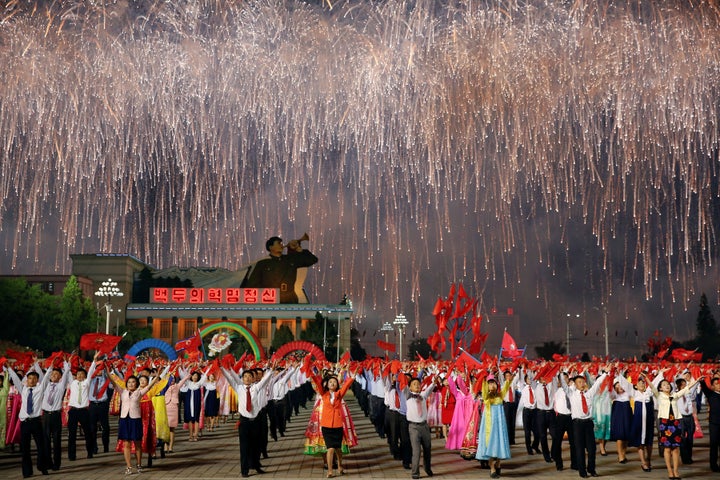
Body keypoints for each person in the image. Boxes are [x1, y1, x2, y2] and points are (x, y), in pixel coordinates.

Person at [222, 364, 274, 478]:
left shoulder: (256, 387)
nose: (247, 378)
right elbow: (230, 379)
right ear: (242, 378)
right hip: (244, 422)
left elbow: (265, 381)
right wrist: (222, 368)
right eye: (245, 376)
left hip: (255, 421)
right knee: (244, 447)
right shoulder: (239, 388)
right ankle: (244, 470)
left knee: (256, 446)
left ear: (252, 378)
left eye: (249, 376)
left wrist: (271, 371)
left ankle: (256, 466)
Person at [649, 370, 701, 480]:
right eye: (664, 385)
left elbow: (686, 389)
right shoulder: (659, 395)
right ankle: (670, 471)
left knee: (676, 448)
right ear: (660, 388)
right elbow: (652, 386)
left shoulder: (675, 395)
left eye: (668, 384)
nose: (667, 385)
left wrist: (696, 381)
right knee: (667, 449)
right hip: (665, 423)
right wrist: (648, 378)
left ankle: (676, 471)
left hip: (676, 422)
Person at [107, 368, 159, 475]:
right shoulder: (122, 391)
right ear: (126, 384)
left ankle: (139, 464)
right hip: (124, 419)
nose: (131, 384)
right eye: (129, 382)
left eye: (133, 382)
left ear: (136, 384)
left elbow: (149, 386)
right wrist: (108, 372)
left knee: (137, 443)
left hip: (135, 419)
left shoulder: (139, 392)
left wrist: (157, 376)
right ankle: (128, 466)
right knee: (126, 444)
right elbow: (113, 382)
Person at [6, 362, 51, 478]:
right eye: (29, 378)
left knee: (41, 447)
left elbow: (45, 378)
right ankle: (27, 471)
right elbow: (16, 379)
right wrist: (10, 368)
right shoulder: (24, 389)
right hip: (25, 423)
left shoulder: (40, 389)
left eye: (34, 378)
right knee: (25, 449)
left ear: (37, 380)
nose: (31, 380)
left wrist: (49, 367)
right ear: (26, 380)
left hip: (36, 422)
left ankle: (42, 467)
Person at [245, 235, 318, 303]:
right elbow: (252, 285)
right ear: (271, 247)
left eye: (281, 243)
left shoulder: (290, 259)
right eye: (278, 243)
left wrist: (298, 249)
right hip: (270, 300)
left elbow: (312, 260)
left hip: (290, 299)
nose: (281, 245)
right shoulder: (262, 263)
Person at [310, 370, 356, 478]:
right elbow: (317, 382)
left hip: (337, 425)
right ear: (327, 384)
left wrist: (352, 378)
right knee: (330, 448)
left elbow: (346, 386)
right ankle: (330, 470)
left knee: (338, 449)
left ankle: (340, 465)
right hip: (326, 425)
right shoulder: (323, 394)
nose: (332, 384)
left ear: (337, 385)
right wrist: (312, 373)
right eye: (330, 382)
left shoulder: (339, 394)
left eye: (334, 382)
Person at [568, 370, 608, 479]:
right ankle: (582, 471)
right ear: (575, 385)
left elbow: (597, 383)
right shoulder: (571, 394)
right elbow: (565, 384)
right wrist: (573, 372)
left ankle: (592, 469)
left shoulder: (589, 393)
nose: (581, 384)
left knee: (592, 449)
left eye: (583, 382)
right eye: (579, 382)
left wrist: (605, 373)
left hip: (588, 423)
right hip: (577, 424)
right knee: (579, 449)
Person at [475, 373, 513, 479]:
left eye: (493, 383)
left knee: (499, 444)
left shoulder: (500, 395)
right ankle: (492, 468)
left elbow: (506, 387)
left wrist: (508, 380)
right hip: (489, 425)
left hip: (499, 425)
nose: (492, 386)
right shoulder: (486, 396)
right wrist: (483, 380)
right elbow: (484, 391)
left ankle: (498, 464)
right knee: (490, 446)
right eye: (490, 384)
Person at [41, 361, 72, 471]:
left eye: (57, 375)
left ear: (60, 377)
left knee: (56, 440)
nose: (54, 376)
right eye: (52, 374)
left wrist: (65, 363)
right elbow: (44, 377)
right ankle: (48, 462)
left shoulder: (60, 387)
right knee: (46, 440)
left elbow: (67, 372)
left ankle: (56, 464)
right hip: (45, 416)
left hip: (55, 416)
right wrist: (50, 367)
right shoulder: (45, 385)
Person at [67, 357, 99, 461]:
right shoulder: (72, 383)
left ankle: (90, 452)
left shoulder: (86, 383)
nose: (80, 376)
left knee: (87, 433)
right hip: (73, 411)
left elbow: (90, 372)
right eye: (78, 374)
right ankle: (72, 455)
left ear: (85, 376)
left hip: (84, 411)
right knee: (72, 434)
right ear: (75, 376)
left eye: (82, 374)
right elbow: (67, 372)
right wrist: (68, 362)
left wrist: (94, 360)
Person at [405, 375, 436, 480]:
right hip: (414, 427)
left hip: (424, 426)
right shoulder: (408, 395)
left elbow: (430, 389)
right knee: (416, 451)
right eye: (414, 384)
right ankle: (415, 473)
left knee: (427, 449)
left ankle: (427, 468)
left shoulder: (423, 395)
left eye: (418, 384)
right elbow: (402, 384)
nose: (417, 386)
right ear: (410, 388)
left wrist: (434, 382)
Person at [88, 369, 112, 455]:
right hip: (93, 405)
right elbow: (90, 372)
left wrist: (107, 369)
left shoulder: (105, 379)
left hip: (103, 405)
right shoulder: (90, 380)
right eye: (97, 369)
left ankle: (106, 445)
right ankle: (94, 447)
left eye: (100, 370)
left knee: (105, 427)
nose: (99, 371)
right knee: (92, 428)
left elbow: (111, 380)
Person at [699, 376, 720, 472]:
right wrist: (702, 381)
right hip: (714, 424)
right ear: (712, 386)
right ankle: (713, 465)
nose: (719, 385)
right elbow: (704, 388)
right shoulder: (711, 394)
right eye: (716, 384)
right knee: (714, 445)